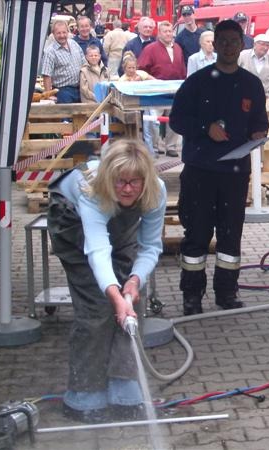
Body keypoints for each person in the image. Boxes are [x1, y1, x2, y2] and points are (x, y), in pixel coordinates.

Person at [47, 139, 167, 423]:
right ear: (109, 178)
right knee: (96, 303)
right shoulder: (91, 189)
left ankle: (123, 384)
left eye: (134, 182)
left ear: (146, 180)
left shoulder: (156, 191)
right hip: (71, 218)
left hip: (114, 219)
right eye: (120, 182)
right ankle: (83, 392)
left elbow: (150, 246)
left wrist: (134, 282)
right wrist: (114, 295)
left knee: (130, 304)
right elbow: (98, 249)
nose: (127, 188)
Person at [169, 20, 269, 315]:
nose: (227, 47)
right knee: (197, 234)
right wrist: (204, 127)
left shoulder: (252, 85)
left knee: (230, 235)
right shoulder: (197, 82)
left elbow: (260, 122)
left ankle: (227, 291)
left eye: (233, 41)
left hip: (235, 175)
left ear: (242, 44)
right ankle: (191, 294)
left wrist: (259, 134)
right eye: (222, 41)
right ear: (214, 45)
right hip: (200, 171)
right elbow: (176, 120)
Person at [138, 20, 187, 158]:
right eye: (165, 31)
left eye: (170, 31)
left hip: (174, 89)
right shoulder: (150, 49)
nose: (168, 34)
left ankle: (170, 146)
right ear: (159, 33)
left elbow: (182, 68)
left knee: (174, 119)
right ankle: (154, 146)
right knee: (154, 120)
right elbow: (141, 69)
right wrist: (150, 81)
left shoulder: (177, 48)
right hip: (156, 90)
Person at [119, 53, 156, 156]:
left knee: (148, 129)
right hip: (131, 107)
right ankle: (135, 153)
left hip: (145, 104)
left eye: (133, 67)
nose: (131, 70)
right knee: (133, 130)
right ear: (124, 68)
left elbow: (155, 81)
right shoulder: (122, 80)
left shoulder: (141, 74)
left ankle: (151, 153)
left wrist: (143, 82)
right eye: (129, 68)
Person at [41, 20, 85, 103]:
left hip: (80, 89)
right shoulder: (50, 52)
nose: (62, 35)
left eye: (64, 32)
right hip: (63, 92)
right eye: (59, 33)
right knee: (66, 115)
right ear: (53, 34)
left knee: (83, 115)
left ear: (68, 32)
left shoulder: (74, 44)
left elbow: (84, 64)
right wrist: (48, 94)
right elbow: (46, 75)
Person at [238, 34, 269, 99]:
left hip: (263, 98)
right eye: (262, 44)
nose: (265, 48)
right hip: (242, 97)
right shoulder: (242, 56)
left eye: (267, 45)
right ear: (254, 45)